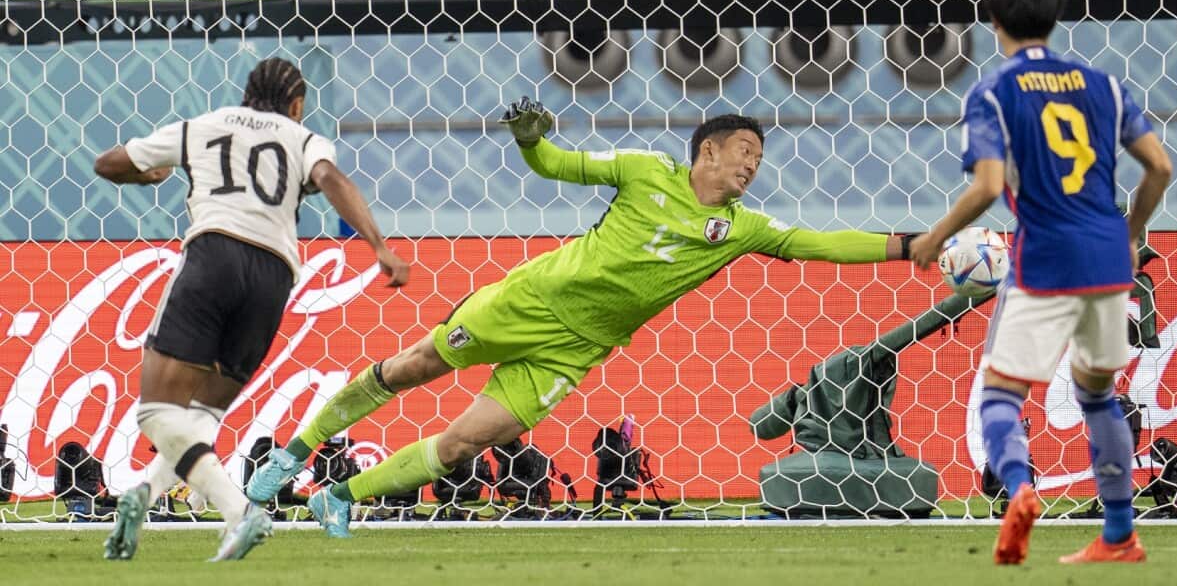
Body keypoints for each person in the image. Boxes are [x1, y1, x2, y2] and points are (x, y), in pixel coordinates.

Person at [248, 101, 918, 536]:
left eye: (759, 157)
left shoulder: (741, 228)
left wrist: (908, 247)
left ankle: (338, 499)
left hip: (575, 350)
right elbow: (558, 164)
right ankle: (292, 454)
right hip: (529, 303)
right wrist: (528, 140)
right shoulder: (644, 170)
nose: (752, 163)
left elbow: (821, 244)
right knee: (408, 368)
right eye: (744, 148)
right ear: (706, 151)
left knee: (461, 445)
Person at [93, 57, 410, 560]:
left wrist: (146, 176)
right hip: (274, 277)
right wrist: (379, 247)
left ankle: (240, 514)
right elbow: (333, 180)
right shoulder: (306, 140)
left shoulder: (205, 125)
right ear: (297, 104)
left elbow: (108, 162)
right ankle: (144, 497)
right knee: (201, 418)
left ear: (247, 95)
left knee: (157, 412)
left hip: (213, 256)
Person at [909, 0, 1173, 565]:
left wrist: (935, 236)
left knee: (1001, 392)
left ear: (993, 19)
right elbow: (1159, 167)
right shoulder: (1103, 86)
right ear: (1056, 17)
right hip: (1109, 258)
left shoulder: (993, 92)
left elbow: (988, 185)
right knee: (1097, 393)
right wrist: (1130, 232)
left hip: (1046, 256)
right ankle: (1118, 535)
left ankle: (1018, 487)